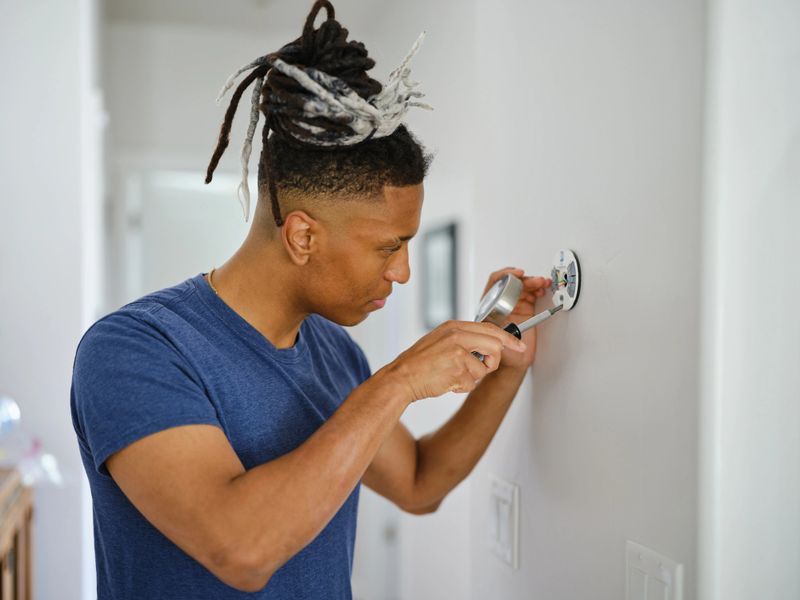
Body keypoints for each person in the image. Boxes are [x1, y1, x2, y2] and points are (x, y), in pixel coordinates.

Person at [70, 1, 551, 598]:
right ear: (302, 235)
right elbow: (241, 550)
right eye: (387, 247)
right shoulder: (135, 349)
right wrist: (397, 382)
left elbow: (420, 484)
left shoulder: (333, 354)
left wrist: (508, 367)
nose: (402, 271)